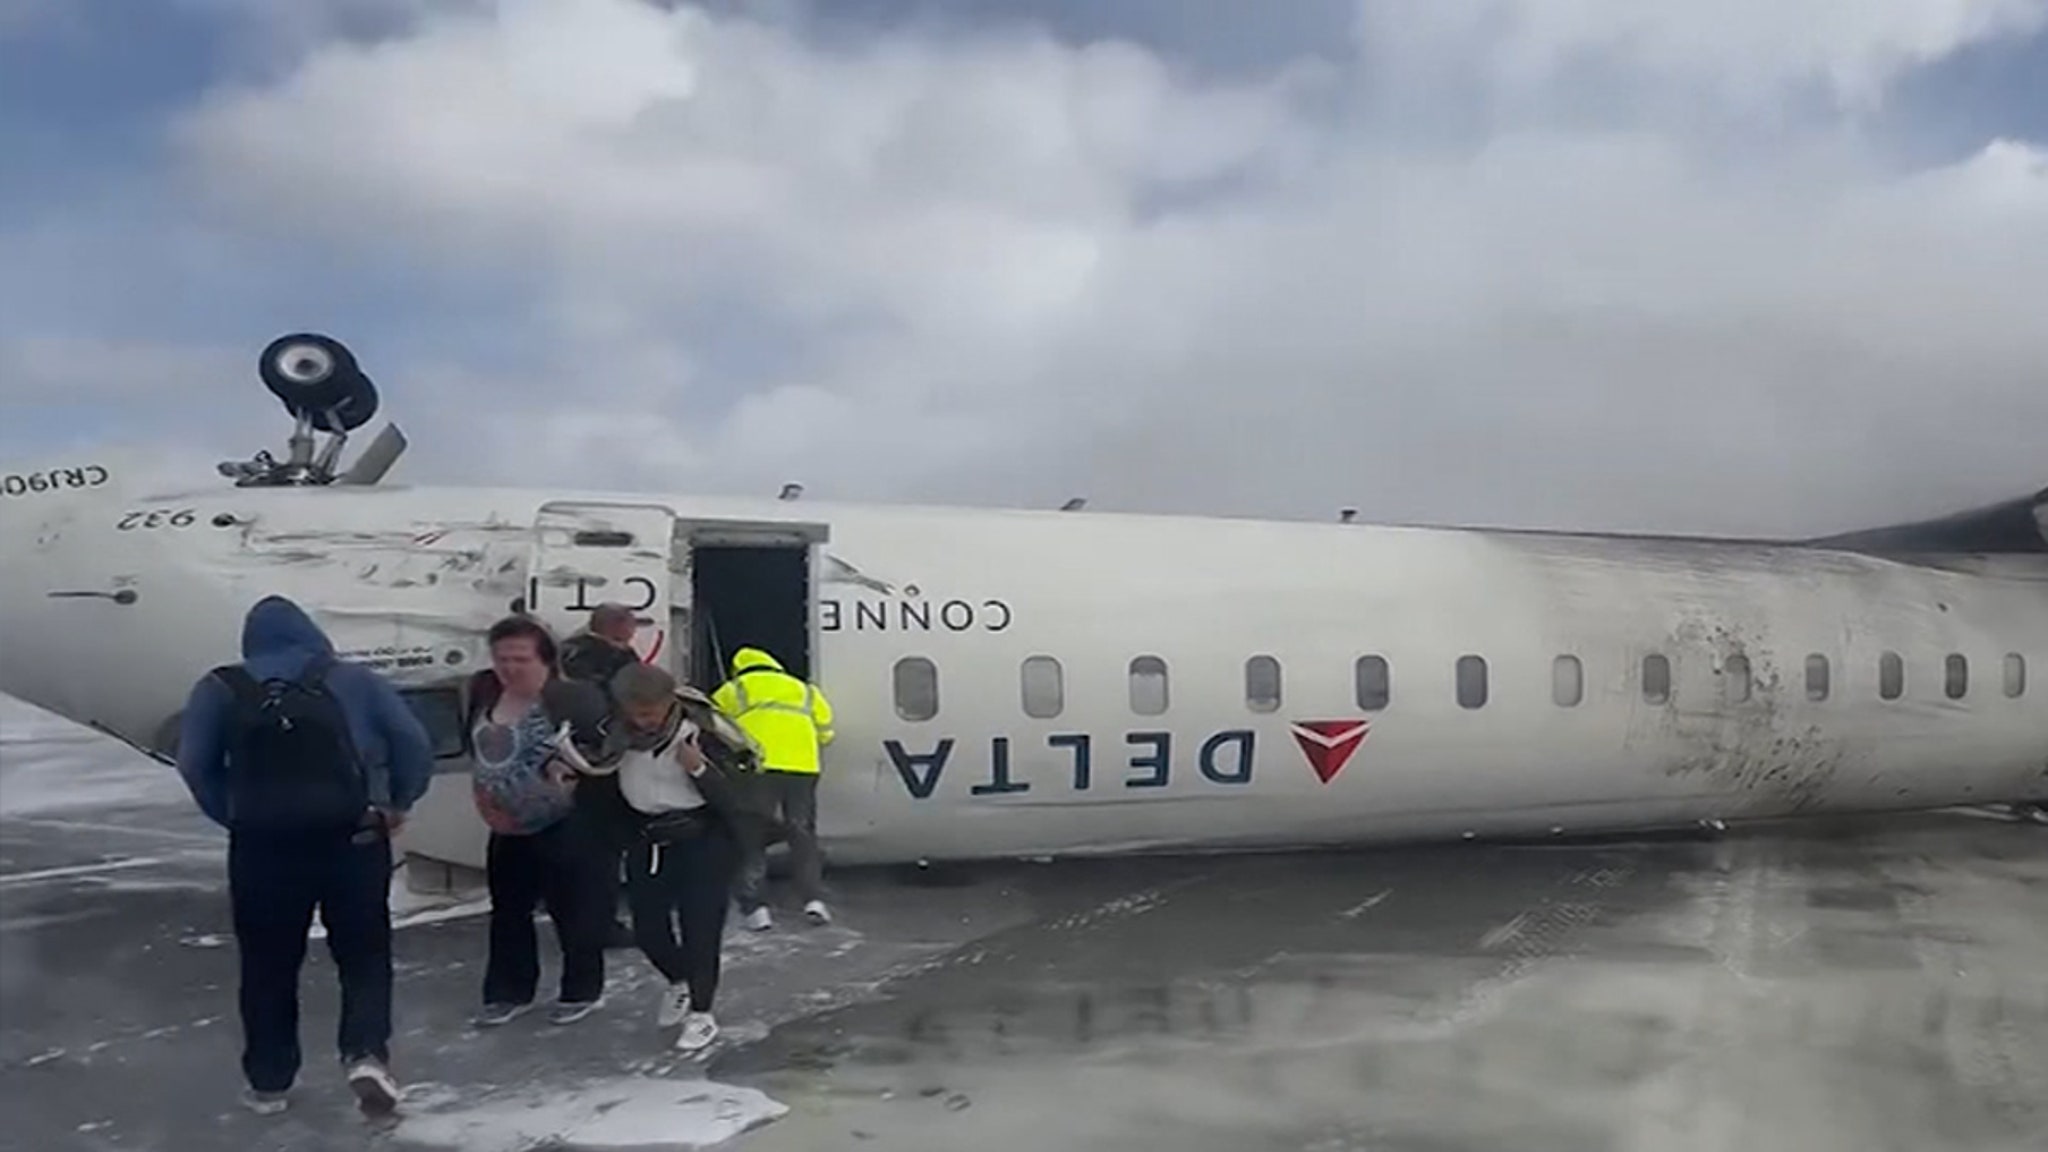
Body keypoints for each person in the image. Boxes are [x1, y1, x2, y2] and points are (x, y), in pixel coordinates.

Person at [172, 595, 433, 1117]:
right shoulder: (354, 681)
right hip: (352, 839)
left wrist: (236, 814)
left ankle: (269, 1081)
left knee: (268, 964)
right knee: (363, 955)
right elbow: (413, 742)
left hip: (263, 849)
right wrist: (397, 803)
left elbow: (194, 764)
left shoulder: (220, 688)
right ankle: (365, 1054)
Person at [557, 661, 760, 1051]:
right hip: (646, 838)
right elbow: (598, 783)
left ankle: (702, 1013)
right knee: (649, 930)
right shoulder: (613, 736)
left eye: (650, 713)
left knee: (700, 928)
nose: (643, 722)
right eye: (634, 713)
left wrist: (699, 769)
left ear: (669, 703)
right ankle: (678, 981)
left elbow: (739, 796)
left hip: (704, 839)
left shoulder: (703, 733)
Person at [464, 614, 614, 1027]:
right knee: (508, 910)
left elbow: (607, 750)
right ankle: (508, 991)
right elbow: (476, 745)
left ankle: (582, 988)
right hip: (505, 825)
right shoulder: (485, 691)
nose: (510, 668)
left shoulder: (571, 697)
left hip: (565, 822)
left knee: (573, 909)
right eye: (502, 658)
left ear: (545, 660)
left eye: (520, 659)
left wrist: (573, 775)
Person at [710, 646, 835, 930]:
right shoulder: (804, 689)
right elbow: (827, 732)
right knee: (801, 833)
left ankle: (756, 909)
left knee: (751, 836)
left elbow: (714, 728)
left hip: (758, 768)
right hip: (803, 768)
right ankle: (813, 900)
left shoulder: (735, 688)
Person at [557, 602, 643, 950]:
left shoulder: (565, 652)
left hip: (563, 758)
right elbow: (632, 703)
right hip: (604, 763)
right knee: (605, 850)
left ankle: (573, 914)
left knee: (573, 845)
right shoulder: (616, 660)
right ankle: (602, 924)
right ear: (618, 627)